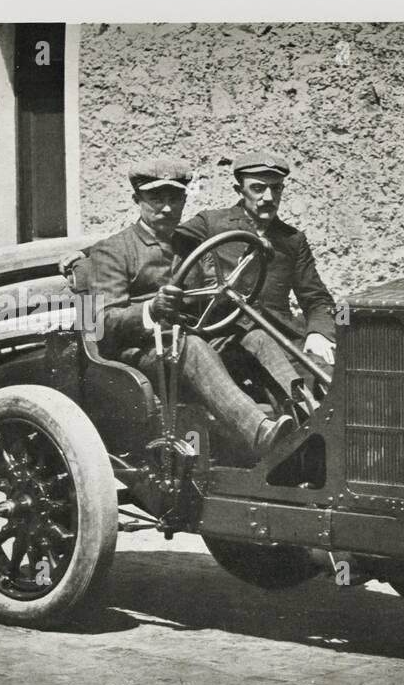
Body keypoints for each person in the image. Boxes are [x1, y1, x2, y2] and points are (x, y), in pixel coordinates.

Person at [82, 157, 290, 462]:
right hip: (140, 355)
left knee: (255, 337)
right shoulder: (114, 250)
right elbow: (101, 322)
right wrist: (151, 309)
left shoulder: (191, 244)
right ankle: (259, 433)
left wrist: (237, 280)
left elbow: (214, 290)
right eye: (156, 198)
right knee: (191, 347)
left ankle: (307, 414)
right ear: (136, 200)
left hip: (195, 338)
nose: (167, 208)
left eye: (175, 198)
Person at [170, 150, 337, 411]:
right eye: (258, 188)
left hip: (281, 339)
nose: (268, 198)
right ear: (240, 189)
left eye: (276, 189)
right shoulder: (210, 223)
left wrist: (319, 331)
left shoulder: (292, 240)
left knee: (331, 377)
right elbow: (166, 241)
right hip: (227, 341)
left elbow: (316, 298)